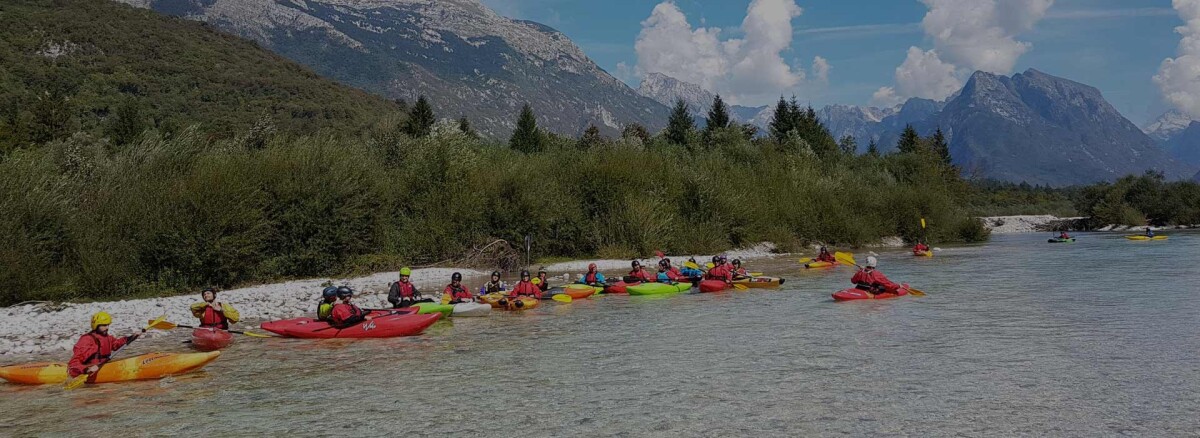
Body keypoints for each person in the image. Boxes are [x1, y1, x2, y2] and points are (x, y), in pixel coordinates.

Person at [68, 312, 143, 378]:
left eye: (108, 325)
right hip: (90, 369)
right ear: (96, 325)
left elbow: (116, 344)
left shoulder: (107, 337)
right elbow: (73, 363)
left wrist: (131, 337)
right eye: (104, 325)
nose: (107, 327)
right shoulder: (87, 340)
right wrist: (86, 370)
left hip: (103, 366)